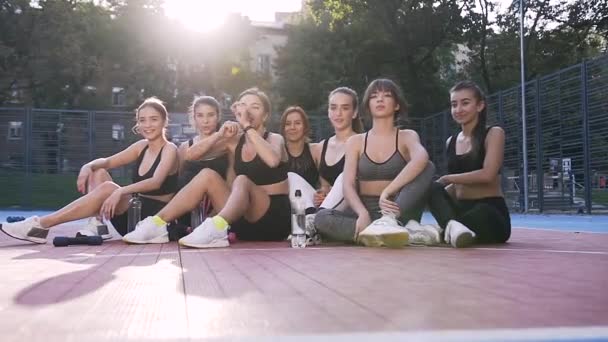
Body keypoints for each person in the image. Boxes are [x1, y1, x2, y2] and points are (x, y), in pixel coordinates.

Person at [122, 88, 291, 248]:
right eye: (243, 106)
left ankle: (215, 227)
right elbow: (191, 155)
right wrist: (219, 135)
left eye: (255, 107)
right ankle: (157, 224)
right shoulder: (234, 141)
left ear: (265, 115)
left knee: (242, 180)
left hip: (273, 221)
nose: (248, 111)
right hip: (242, 221)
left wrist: (246, 126)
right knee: (207, 175)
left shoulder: (275, 139)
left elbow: (272, 160)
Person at [0, 98, 179, 243]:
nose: (147, 125)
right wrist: (88, 166)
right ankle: (98, 224)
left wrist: (120, 191)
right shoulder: (141, 146)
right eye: (142, 120)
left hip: (154, 220)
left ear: (164, 121)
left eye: (153, 119)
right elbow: (108, 161)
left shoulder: (170, 149)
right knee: (98, 171)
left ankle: (40, 224)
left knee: (110, 188)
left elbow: (156, 181)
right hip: (132, 213)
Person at [314, 79, 436, 248]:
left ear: (396, 105)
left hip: (398, 211)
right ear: (368, 105)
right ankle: (381, 234)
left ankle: (387, 227)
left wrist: (388, 191)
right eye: (374, 96)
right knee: (321, 218)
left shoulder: (407, 136)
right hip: (368, 213)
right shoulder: (356, 141)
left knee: (428, 166)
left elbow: (421, 158)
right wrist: (362, 212)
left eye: (386, 95)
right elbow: (348, 185)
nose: (380, 99)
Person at [428, 80, 511, 248]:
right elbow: (456, 188)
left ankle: (445, 229)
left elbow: (488, 174)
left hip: (489, 212)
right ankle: (453, 228)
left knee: (481, 213)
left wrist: (447, 178)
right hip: (460, 209)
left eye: (465, 103)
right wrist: (434, 195)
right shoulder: (450, 141)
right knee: (431, 188)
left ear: (480, 106)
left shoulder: (493, 133)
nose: (458, 109)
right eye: (454, 104)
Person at [176, 96, 229, 229]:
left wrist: (214, 214)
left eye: (210, 115)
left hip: (219, 213)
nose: (205, 121)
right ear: (194, 117)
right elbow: (179, 183)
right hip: (190, 214)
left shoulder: (227, 144)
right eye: (200, 115)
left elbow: (232, 181)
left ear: (218, 116)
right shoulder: (185, 147)